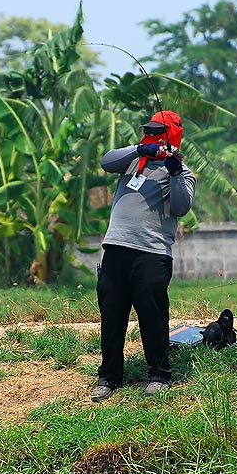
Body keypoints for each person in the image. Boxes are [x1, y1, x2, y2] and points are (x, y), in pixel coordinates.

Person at [91, 110, 196, 402]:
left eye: (156, 132)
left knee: (153, 317)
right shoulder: (132, 161)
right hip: (115, 248)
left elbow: (181, 206)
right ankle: (109, 377)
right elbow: (105, 160)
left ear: (170, 135)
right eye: (147, 132)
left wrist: (174, 171)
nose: (150, 136)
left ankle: (159, 375)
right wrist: (139, 149)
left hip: (151, 254)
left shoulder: (183, 173)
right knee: (112, 316)